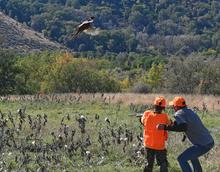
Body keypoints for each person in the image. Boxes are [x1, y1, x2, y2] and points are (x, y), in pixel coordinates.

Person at [157, 96, 214, 172]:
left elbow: (183, 127)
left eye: (173, 106)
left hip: (202, 145)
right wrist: (173, 124)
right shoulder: (190, 111)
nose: (173, 108)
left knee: (181, 159)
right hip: (209, 141)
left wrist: (165, 127)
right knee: (192, 157)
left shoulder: (178, 114)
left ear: (176, 107)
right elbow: (187, 124)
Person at [140, 96, 172, 172]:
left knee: (149, 163)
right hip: (160, 145)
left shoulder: (147, 114)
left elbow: (142, 121)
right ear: (163, 108)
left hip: (148, 144)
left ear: (154, 105)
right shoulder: (165, 117)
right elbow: (170, 124)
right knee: (163, 163)